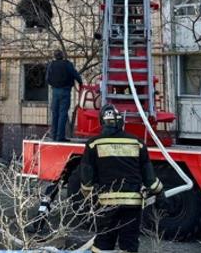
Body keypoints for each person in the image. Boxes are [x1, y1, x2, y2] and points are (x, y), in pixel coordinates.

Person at [80, 105, 163, 253]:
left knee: (103, 244)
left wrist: (89, 198)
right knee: (129, 244)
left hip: (106, 204)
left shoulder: (93, 144)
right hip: (132, 204)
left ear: (102, 122)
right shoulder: (137, 143)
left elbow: (87, 178)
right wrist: (160, 193)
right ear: (121, 122)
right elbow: (149, 177)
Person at [46, 50, 83, 142]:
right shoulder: (67, 64)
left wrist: (54, 85)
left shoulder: (51, 65)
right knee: (63, 114)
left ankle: (54, 135)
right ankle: (60, 137)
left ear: (55, 56)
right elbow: (75, 74)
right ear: (62, 56)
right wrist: (80, 83)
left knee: (55, 113)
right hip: (65, 91)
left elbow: (47, 79)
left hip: (55, 91)